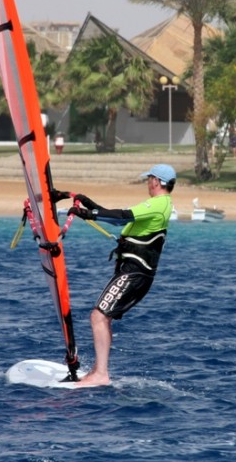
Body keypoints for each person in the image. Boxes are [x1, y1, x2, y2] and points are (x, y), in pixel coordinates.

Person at [64, 164, 175, 387]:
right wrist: (90, 206)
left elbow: (124, 216)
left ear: (156, 181)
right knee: (104, 317)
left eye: (149, 179)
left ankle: (101, 374)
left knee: (98, 316)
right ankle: (98, 370)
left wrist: (89, 213)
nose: (147, 183)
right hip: (132, 272)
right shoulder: (160, 205)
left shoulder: (158, 203)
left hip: (135, 272)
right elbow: (117, 220)